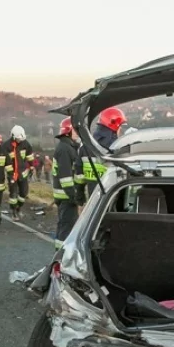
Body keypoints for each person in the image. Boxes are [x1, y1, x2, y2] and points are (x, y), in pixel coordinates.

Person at [52, 117, 86, 248]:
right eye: (76, 131)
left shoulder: (68, 147)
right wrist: (74, 197)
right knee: (67, 227)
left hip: (65, 196)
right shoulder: (65, 149)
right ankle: (61, 257)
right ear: (68, 131)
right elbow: (65, 178)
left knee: (64, 225)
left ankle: (59, 254)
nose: (78, 134)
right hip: (66, 196)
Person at [82, 106, 126, 197]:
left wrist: (79, 193)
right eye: (120, 126)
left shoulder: (86, 145)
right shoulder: (115, 147)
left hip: (93, 197)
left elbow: (78, 172)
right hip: (112, 195)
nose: (121, 129)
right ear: (114, 125)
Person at [4, 125, 35, 221]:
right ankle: (13, 212)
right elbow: (4, 160)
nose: (19, 140)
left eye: (21, 139)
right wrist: (9, 173)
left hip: (23, 173)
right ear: (13, 136)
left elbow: (29, 156)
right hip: (12, 174)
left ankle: (19, 208)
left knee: (23, 193)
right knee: (13, 194)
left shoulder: (25, 144)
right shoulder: (6, 146)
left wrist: (31, 166)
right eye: (18, 139)